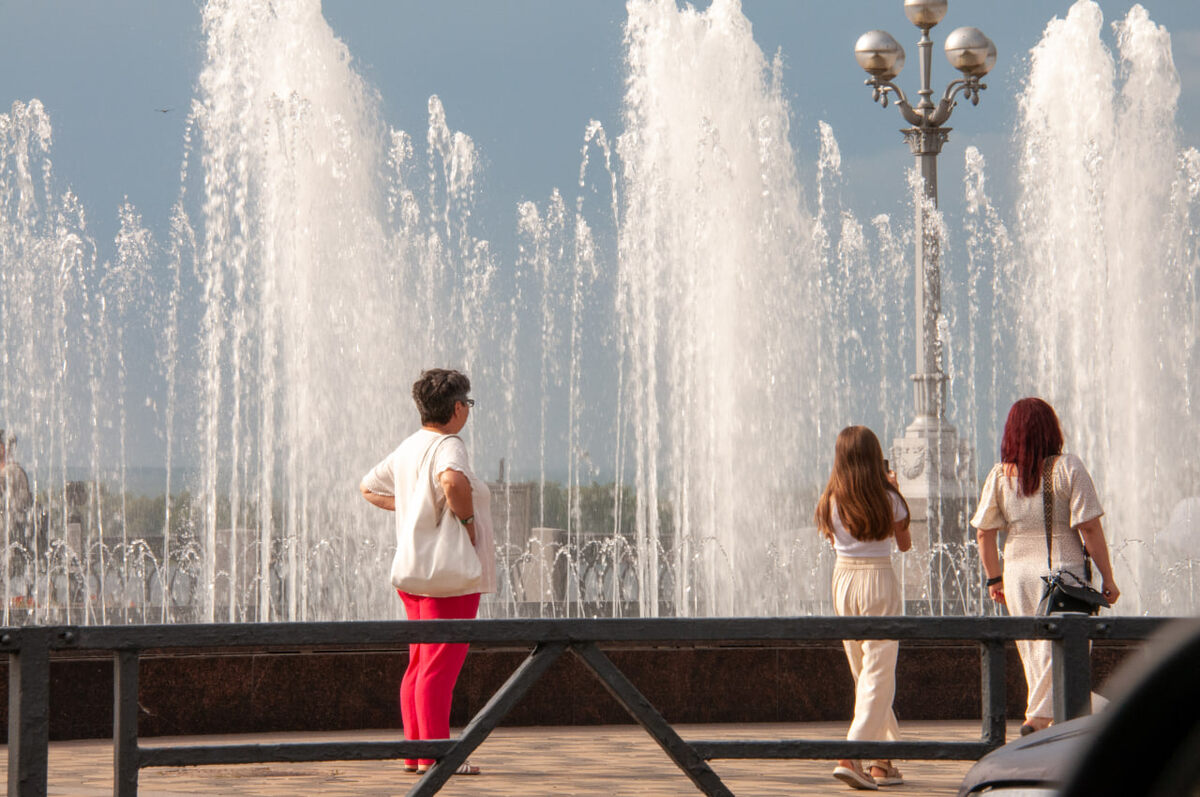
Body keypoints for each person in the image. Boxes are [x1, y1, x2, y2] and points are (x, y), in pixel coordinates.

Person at [360, 369, 496, 775]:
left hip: (415, 575)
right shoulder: (449, 444)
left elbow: (368, 487)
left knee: (420, 665)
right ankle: (439, 757)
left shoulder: (409, 447)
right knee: (439, 669)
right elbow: (453, 482)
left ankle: (417, 753)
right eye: (467, 405)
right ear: (456, 408)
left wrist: (415, 508)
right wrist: (468, 523)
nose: (467, 412)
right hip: (448, 578)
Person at [971, 397, 1120, 736]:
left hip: (1017, 574)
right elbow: (1090, 528)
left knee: (1037, 657)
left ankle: (1105, 719)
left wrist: (994, 578)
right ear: (1052, 429)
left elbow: (984, 532)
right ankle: (1036, 723)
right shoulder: (1068, 467)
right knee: (1066, 654)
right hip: (1062, 573)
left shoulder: (999, 476)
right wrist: (1107, 576)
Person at [816, 426, 912, 791]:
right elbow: (904, 545)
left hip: (843, 581)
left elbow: (831, 538)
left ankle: (882, 762)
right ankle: (852, 753)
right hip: (878, 578)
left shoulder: (830, 498)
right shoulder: (889, 498)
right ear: (875, 457)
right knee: (879, 670)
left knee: (867, 672)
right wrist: (894, 489)